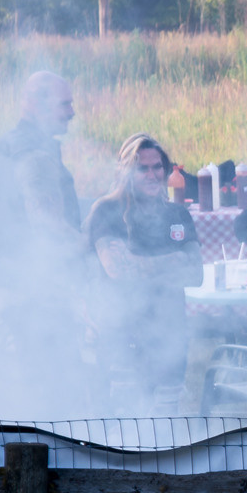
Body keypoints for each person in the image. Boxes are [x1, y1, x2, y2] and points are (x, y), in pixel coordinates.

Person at [84, 134, 199, 412]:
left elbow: (196, 273)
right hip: (121, 337)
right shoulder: (107, 210)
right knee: (124, 428)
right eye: (142, 168)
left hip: (170, 336)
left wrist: (138, 262)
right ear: (125, 172)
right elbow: (117, 269)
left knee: (166, 424)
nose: (152, 175)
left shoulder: (177, 215)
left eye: (157, 167)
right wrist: (174, 258)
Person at [0, 70, 82, 296]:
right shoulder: (31, 153)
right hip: (26, 293)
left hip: (14, 283)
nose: (72, 112)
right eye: (64, 104)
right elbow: (48, 223)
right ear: (36, 105)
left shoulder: (17, 142)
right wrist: (91, 250)